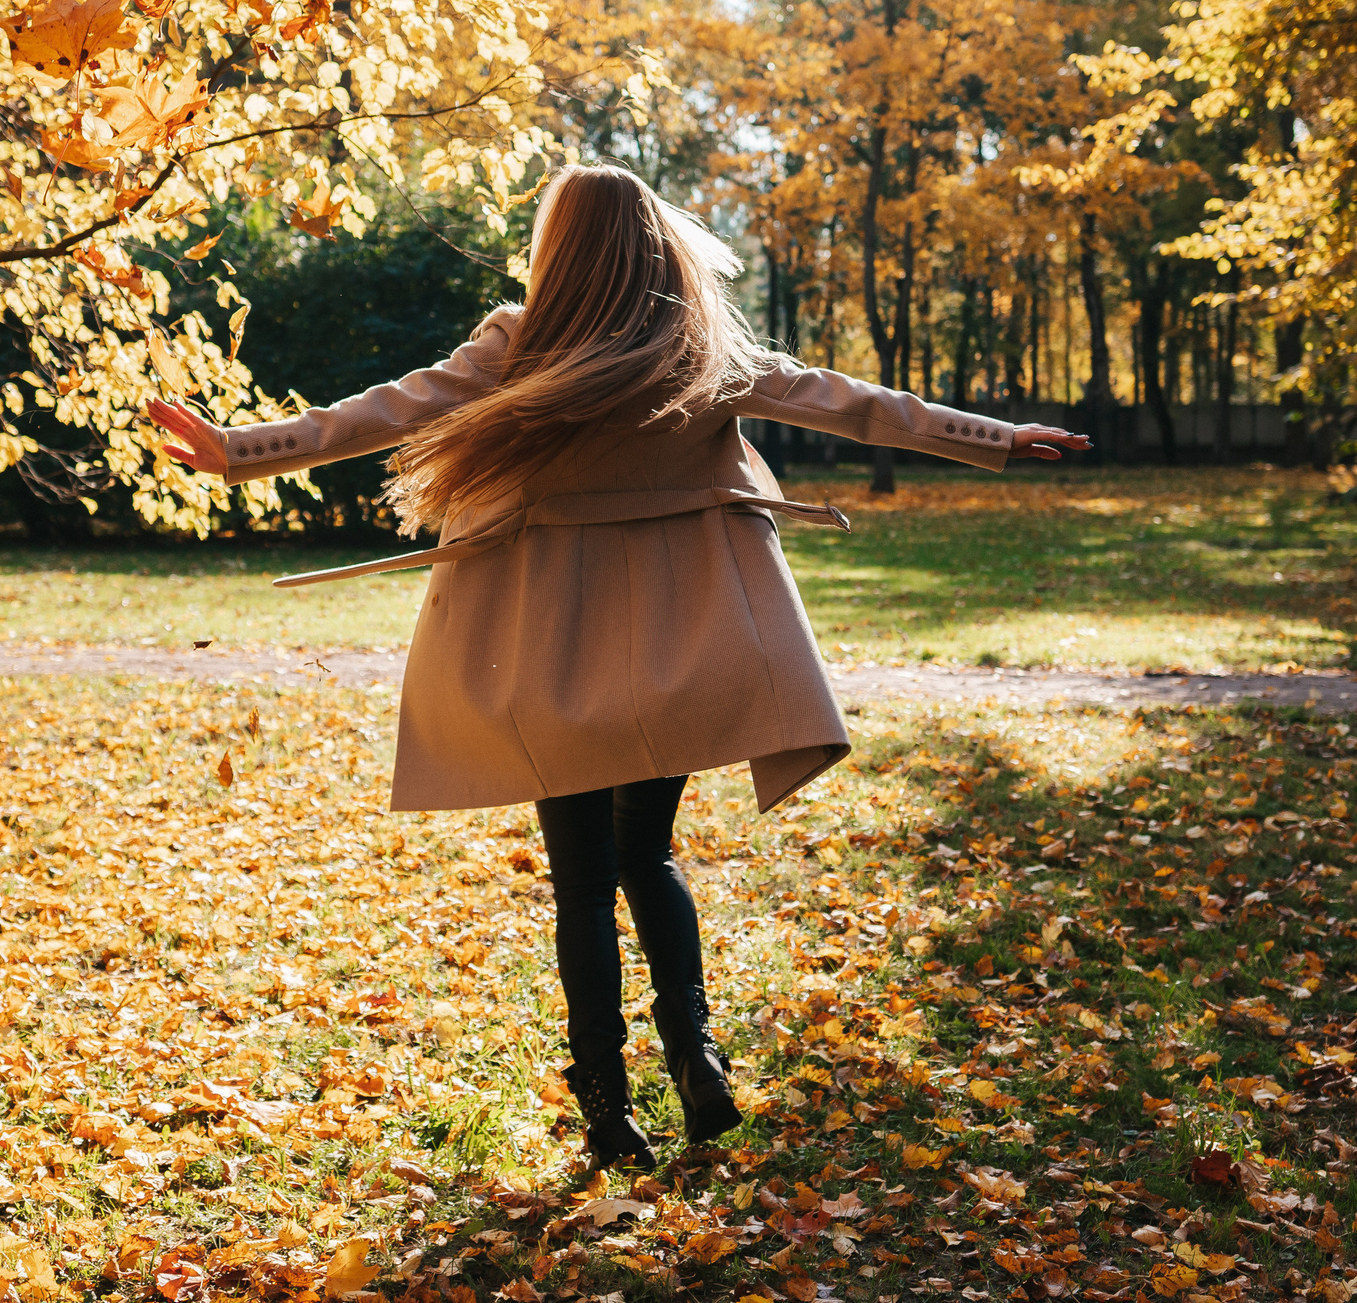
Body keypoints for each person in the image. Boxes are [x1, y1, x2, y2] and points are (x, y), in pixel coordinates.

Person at [148, 164, 1087, 1167]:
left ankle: (606, 1111)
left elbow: (387, 411)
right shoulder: (696, 348)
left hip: (551, 661)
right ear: (651, 239)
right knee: (650, 858)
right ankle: (697, 1056)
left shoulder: (518, 344)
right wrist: (990, 436)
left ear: (559, 245)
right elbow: (847, 403)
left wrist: (240, 449)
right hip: (679, 653)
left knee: (581, 884)